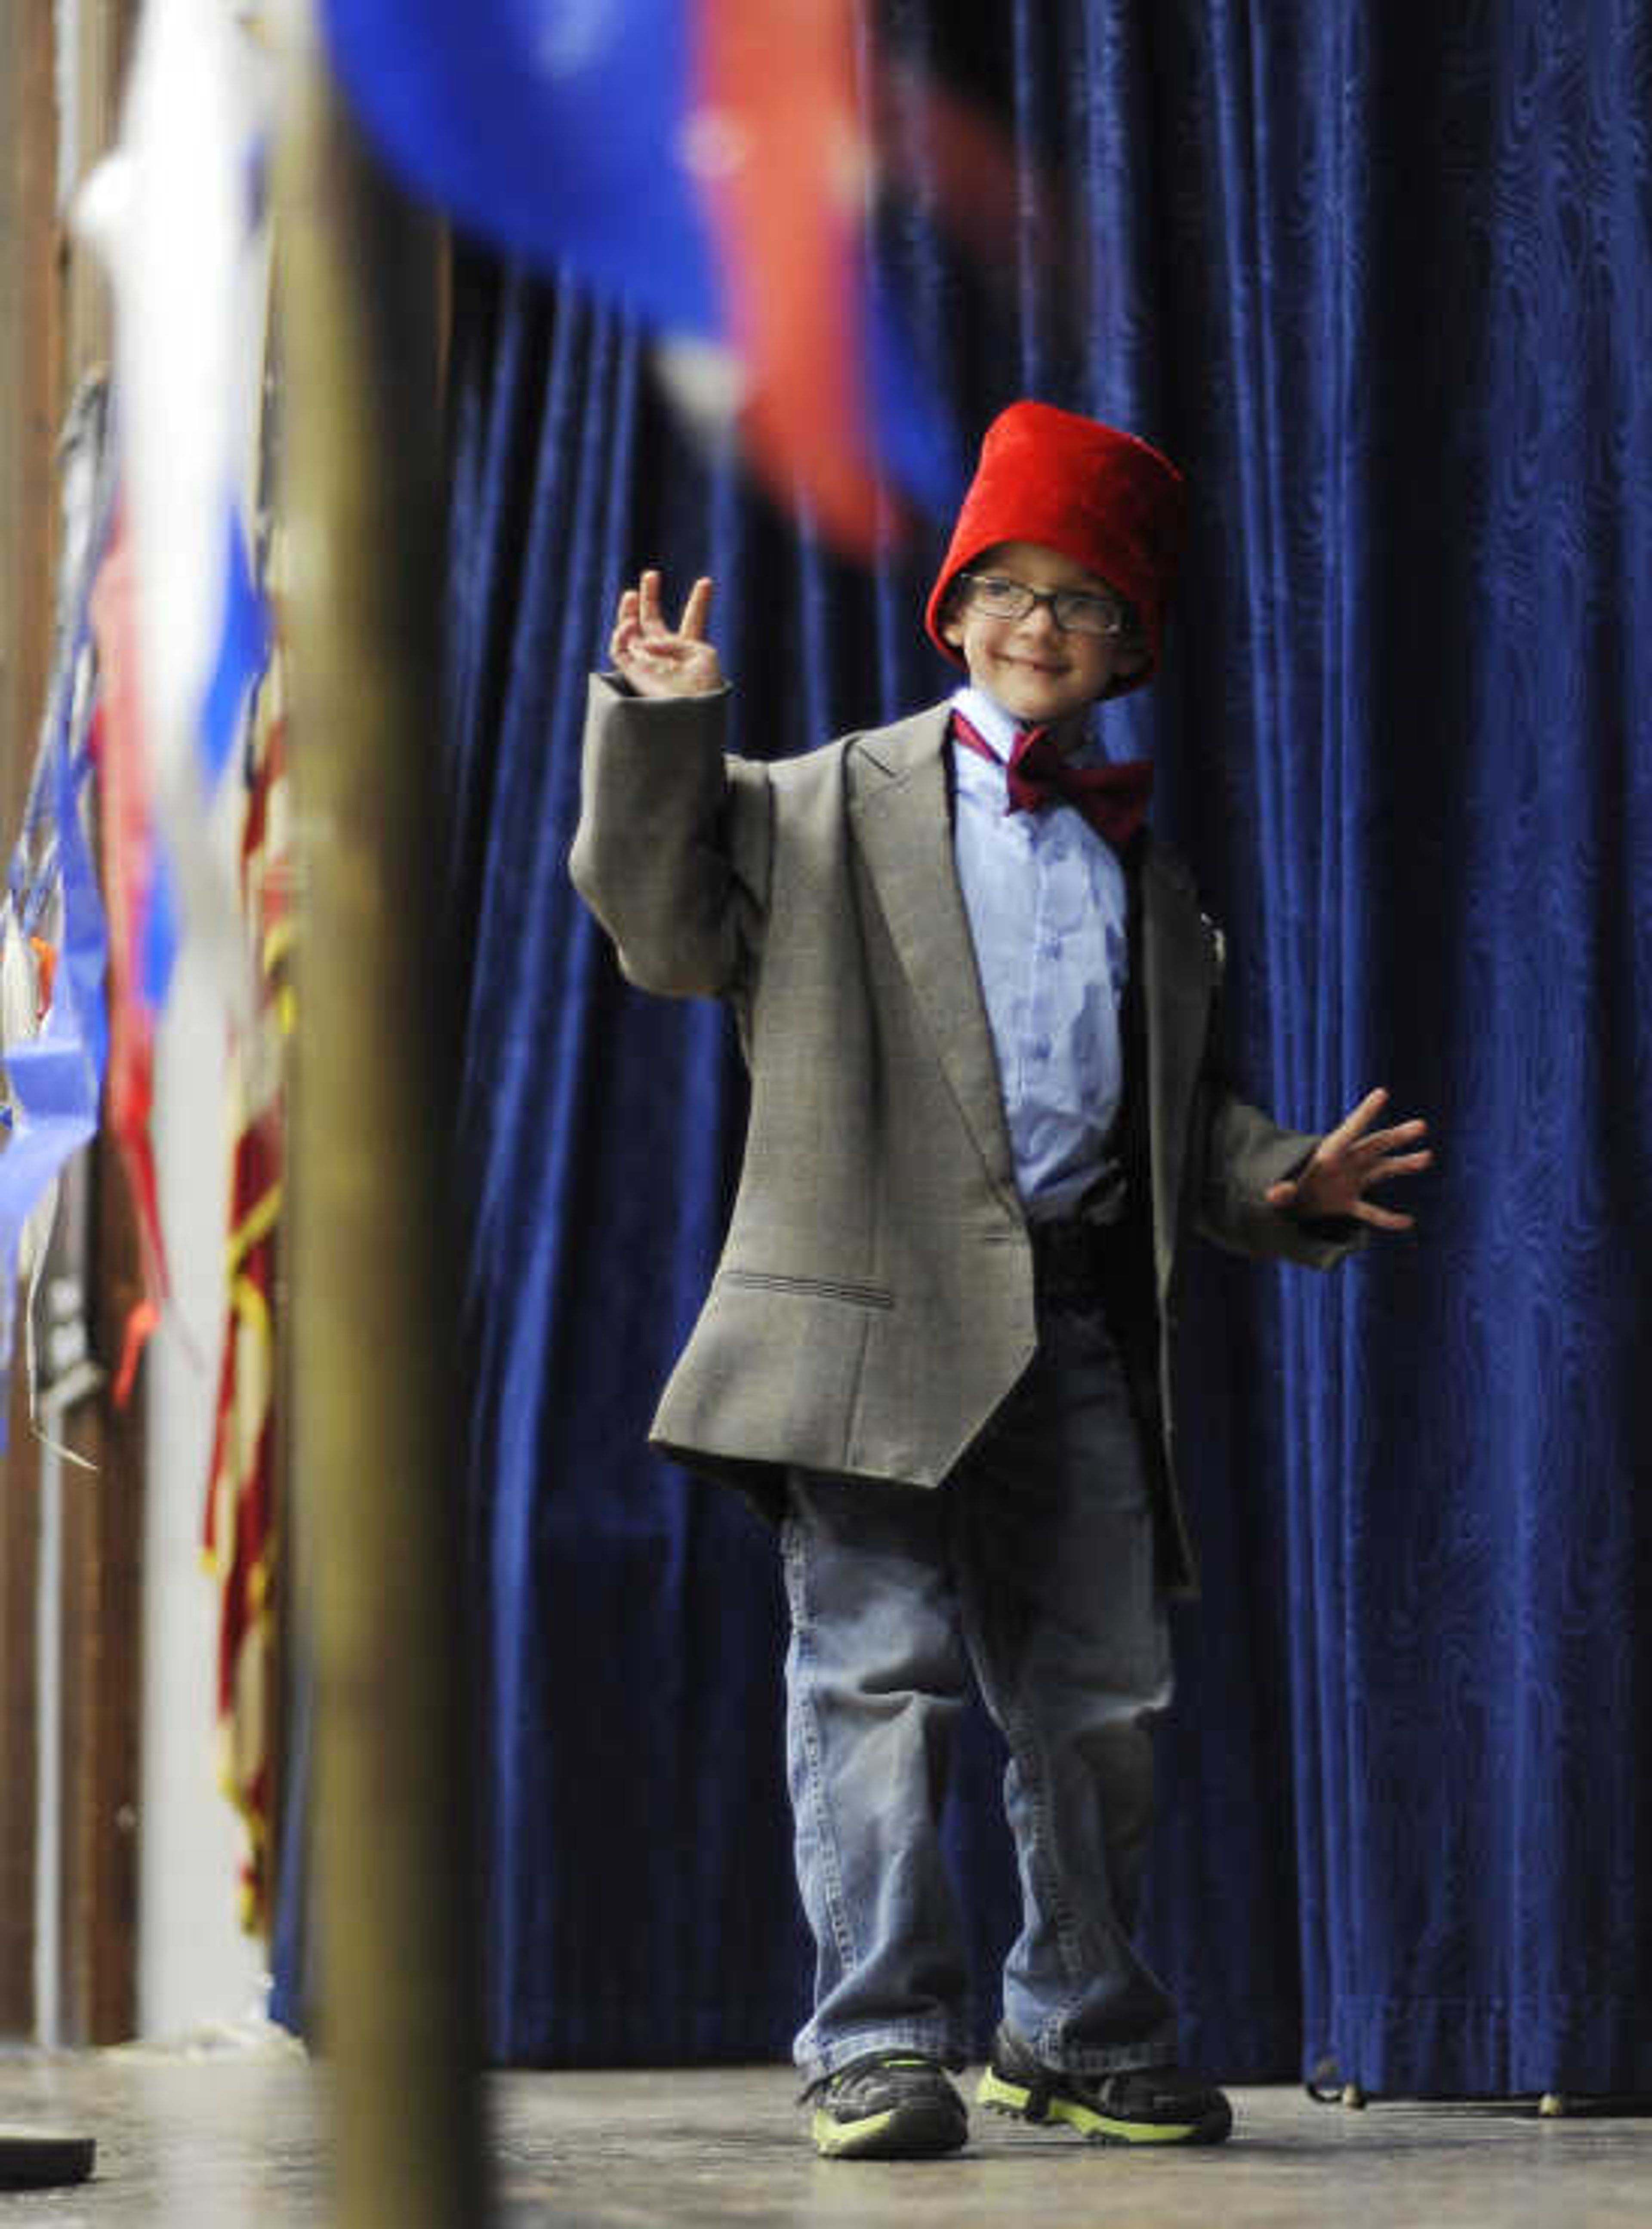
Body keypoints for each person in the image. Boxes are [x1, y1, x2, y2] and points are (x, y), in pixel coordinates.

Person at [569, 400, 1429, 2160]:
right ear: (955, 611)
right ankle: (880, 2036)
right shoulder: (818, 807)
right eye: (1013, 592)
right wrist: (664, 723)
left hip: (1073, 1325)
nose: (1044, 628)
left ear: (1128, 651)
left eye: (1087, 602)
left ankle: (1075, 2024)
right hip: (870, 1326)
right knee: (878, 1680)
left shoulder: (1143, 874)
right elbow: (660, 929)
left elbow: (1163, 1126)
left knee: (1105, 1701)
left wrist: (1285, 1177)